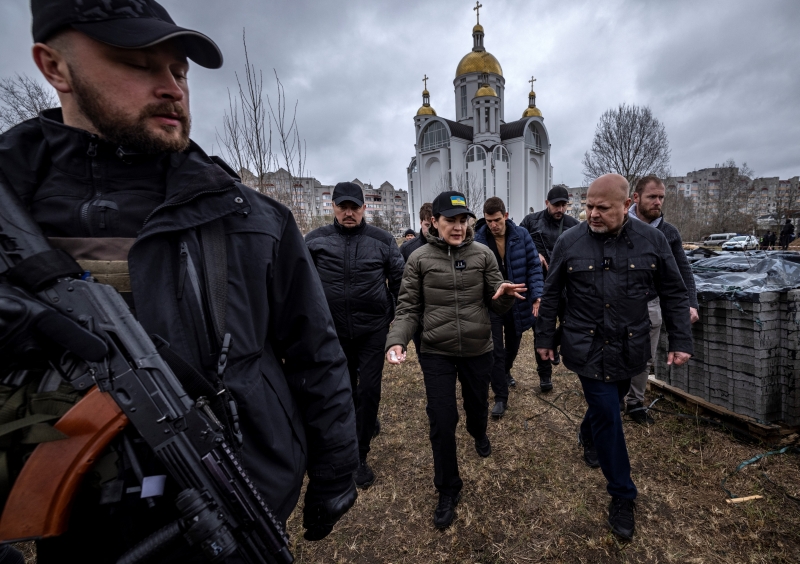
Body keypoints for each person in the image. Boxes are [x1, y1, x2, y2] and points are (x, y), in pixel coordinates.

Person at [0, 1, 358, 560]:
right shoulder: (14, 215)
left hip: (237, 500)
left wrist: (336, 470)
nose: (172, 88)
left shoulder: (253, 218)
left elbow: (315, 351)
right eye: (138, 63)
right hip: (86, 531)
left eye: (180, 71)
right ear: (54, 67)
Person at [535, 174, 693, 541]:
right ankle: (622, 494)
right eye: (588, 206)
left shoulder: (654, 241)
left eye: (601, 208)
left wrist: (680, 340)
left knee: (613, 401)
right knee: (609, 412)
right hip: (586, 347)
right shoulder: (569, 242)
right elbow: (553, 293)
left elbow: (673, 291)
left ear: (627, 205)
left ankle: (587, 433)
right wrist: (545, 339)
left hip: (630, 347)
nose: (592, 214)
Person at [384, 191, 525, 529]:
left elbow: (496, 300)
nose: (459, 227)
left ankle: (479, 431)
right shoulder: (418, 259)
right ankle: (448, 488)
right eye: (451, 220)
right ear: (434, 221)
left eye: (464, 220)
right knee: (442, 420)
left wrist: (504, 298)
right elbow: (407, 308)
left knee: (477, 408)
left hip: (478, 349)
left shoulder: (483, 254)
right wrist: (397, 339)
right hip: (436, 352)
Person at [305, 182, 405, 490]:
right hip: (333, 332)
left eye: (354, 207)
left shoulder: (382, 240)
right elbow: (300, 282)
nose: (349, 213)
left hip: (372, 330)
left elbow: (400, 281)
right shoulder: (315, 240)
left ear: (364, 208)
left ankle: (360, 456)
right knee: (345, 390)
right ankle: (353, 432)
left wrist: (399, 319)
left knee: (369, 390)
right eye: (342, 206)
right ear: (332, 207)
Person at [624, 176, 699, 424]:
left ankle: (635, 403)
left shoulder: (668, 233)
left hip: (651, 303)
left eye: (661, 197)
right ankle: (611, 398)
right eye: (652, 197)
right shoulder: (620, 224)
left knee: (645, 355)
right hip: (619, 302)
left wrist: (691, 303)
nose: (658, 202)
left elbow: (683, 271)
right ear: (635, 198)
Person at [474, 197, 544, 418]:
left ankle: (504, 372)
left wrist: (537, 295)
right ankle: (500, 397)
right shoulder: (478, 241)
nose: (493, 225)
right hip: (493, 303)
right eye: (488, 221)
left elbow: (534, 265)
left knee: (512, 346)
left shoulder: (521, 235)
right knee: (495, 349)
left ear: (505, 215)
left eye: (496, 220)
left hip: (518, 301)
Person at [520, 185, 580, 391]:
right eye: (556, 205)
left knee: (570, 324)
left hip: (567, 287)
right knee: (540, 331)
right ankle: (545, 376)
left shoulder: (574, 225)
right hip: (541, 287)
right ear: (546, 203)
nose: (560, 209)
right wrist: (533, 254)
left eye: (564, 205)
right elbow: (518, 241)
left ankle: (555, 345)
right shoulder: (531, 221)